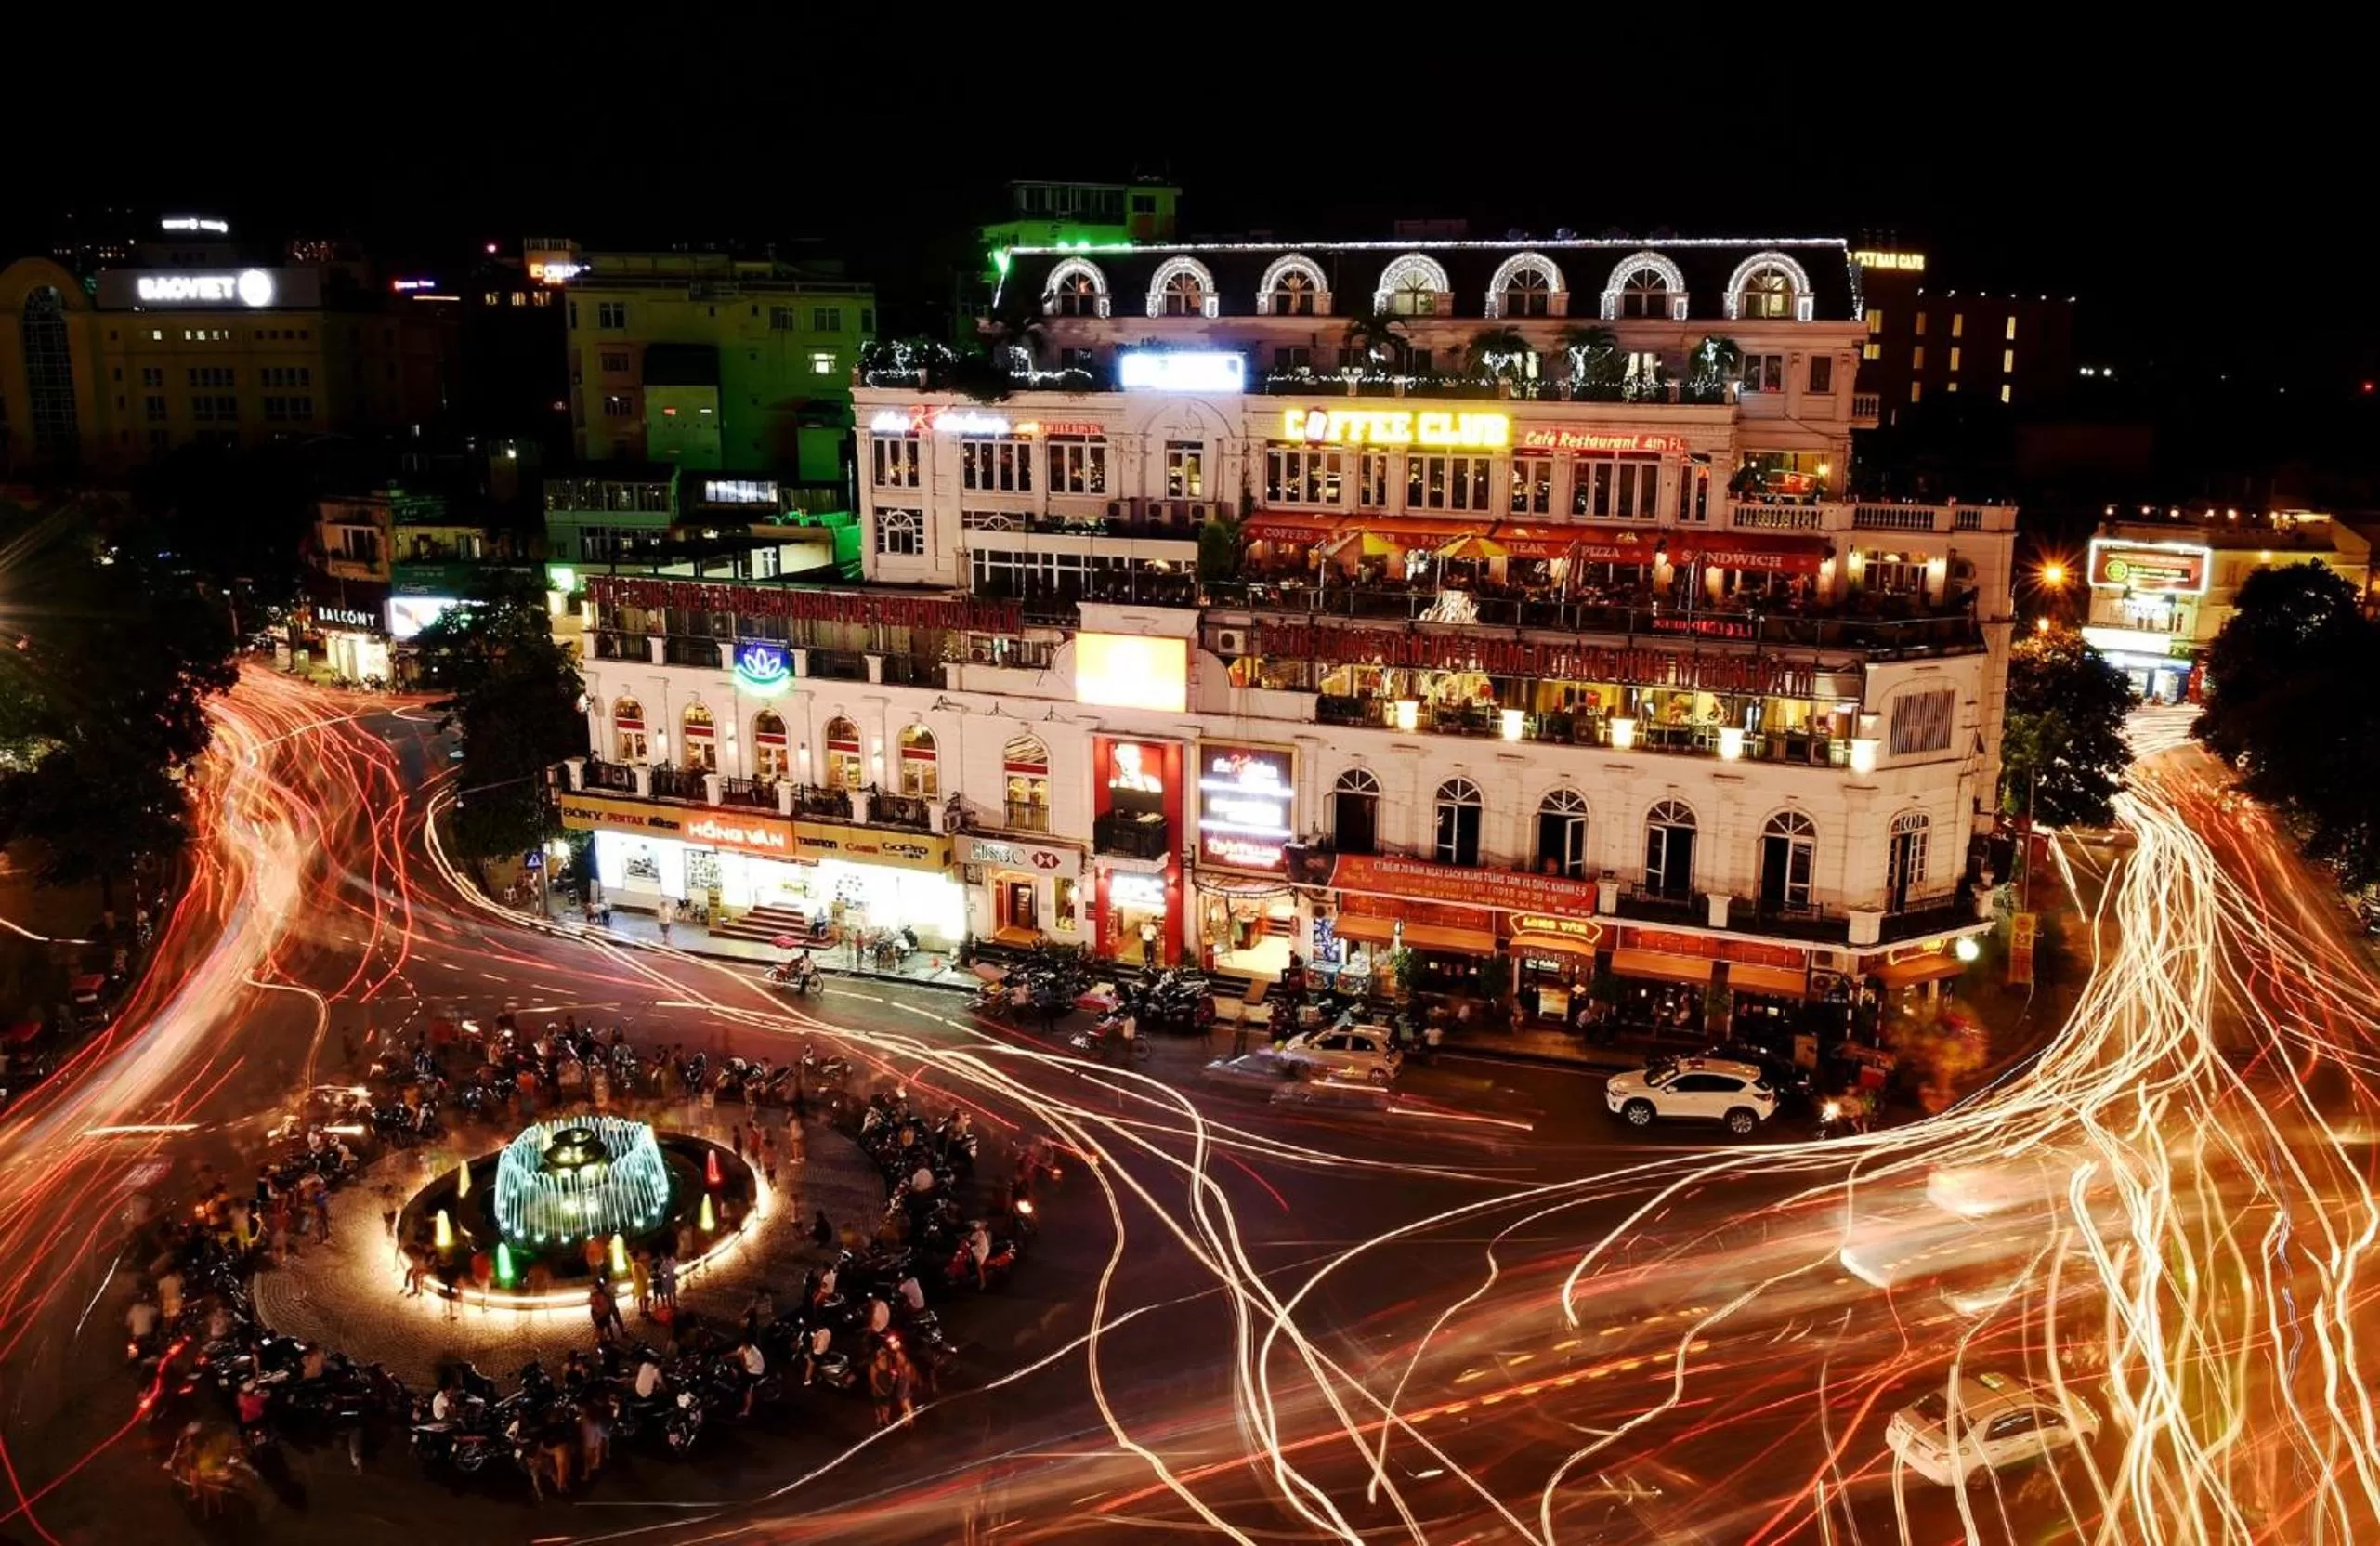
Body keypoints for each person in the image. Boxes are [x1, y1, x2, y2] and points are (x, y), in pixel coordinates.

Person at [735, 1335, 765, 1417]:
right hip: (749, 1369)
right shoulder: (746, 1348)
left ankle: (746, 1410)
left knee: (747, 1390)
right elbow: (737, 1352)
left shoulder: (753, 1354)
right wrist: (723, 1356)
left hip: (755, 1372)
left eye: (742, 1344)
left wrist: (742, 1358)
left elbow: (745, 1366)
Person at [966, 1219, 992, 1289]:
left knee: (978, 1266)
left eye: (971, 1227)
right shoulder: (979, 1232)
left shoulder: (978, 1233)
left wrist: (966, 1238)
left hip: (981, 1251)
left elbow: (972, 1242)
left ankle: (982, 1282)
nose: (970, 1228)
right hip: (979, 1249)